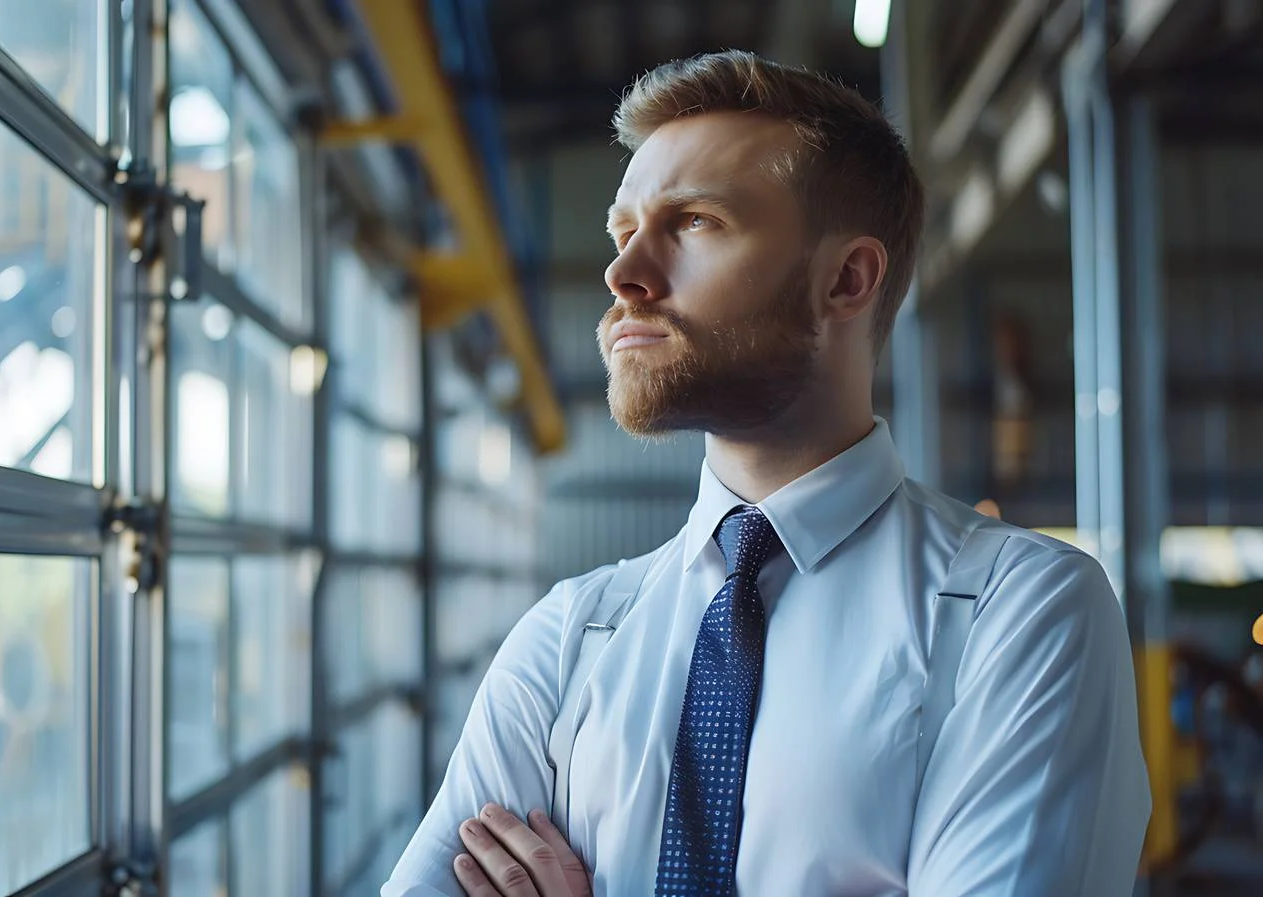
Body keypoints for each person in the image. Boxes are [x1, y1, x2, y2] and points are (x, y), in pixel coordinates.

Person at [383, 50, 1150, 897]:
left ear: (846, 280)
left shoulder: (1023, 612)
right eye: (624, 231)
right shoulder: (569, 637)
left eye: (694, 222)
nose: (623, 274)